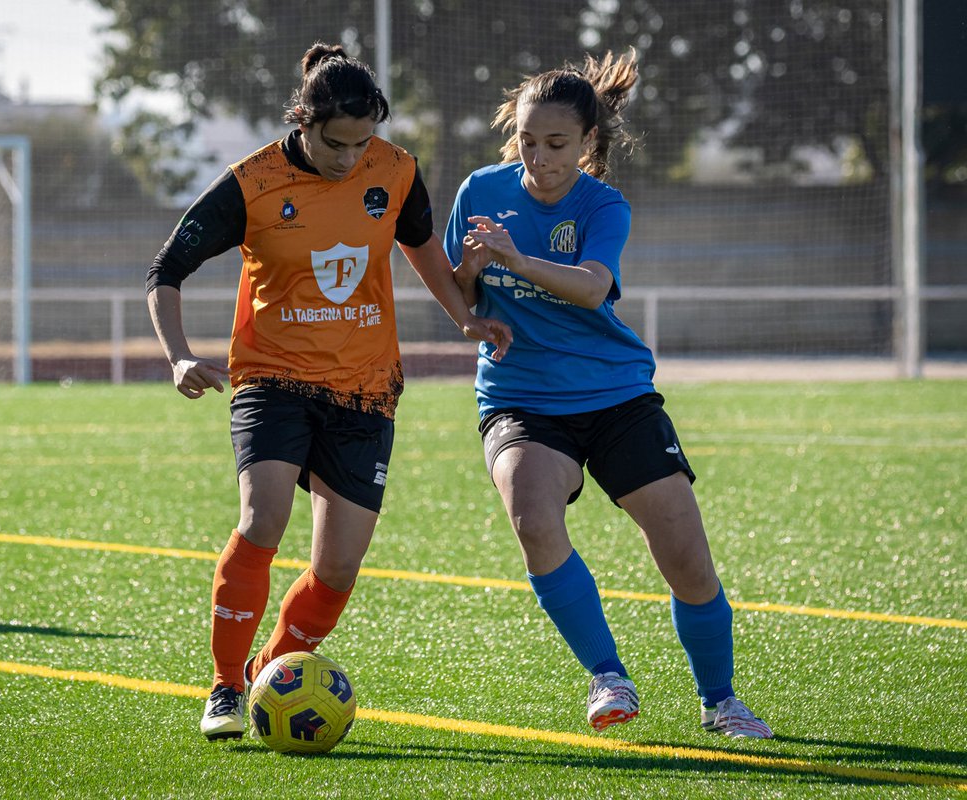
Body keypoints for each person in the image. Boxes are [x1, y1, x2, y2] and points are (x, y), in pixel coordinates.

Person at [146, 42, 512, 741]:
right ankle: (225, 688)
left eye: (361, 143)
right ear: (301, 120)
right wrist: (178, 357)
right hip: (272, 378)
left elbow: (423, 248)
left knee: (337, 567)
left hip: (366, 389)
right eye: (334, 144)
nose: (349, 159)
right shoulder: (250, 183)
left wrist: (464, 314)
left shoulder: (397, 170)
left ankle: (271, 672)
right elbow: (166, 269)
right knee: (263, 519)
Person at [444, 50, 773, 739]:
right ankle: (607, 674)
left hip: (617, 396)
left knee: (686, 559)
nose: (538, 156)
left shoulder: (603, 204)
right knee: (532, 517)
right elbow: (461, 292)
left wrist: (514, 259)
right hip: (521, 397)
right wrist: (471, 280)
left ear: (588, 142)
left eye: (556, 143)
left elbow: (592, 286)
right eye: (528, 140)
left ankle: (720, 700)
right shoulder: (480, 192)